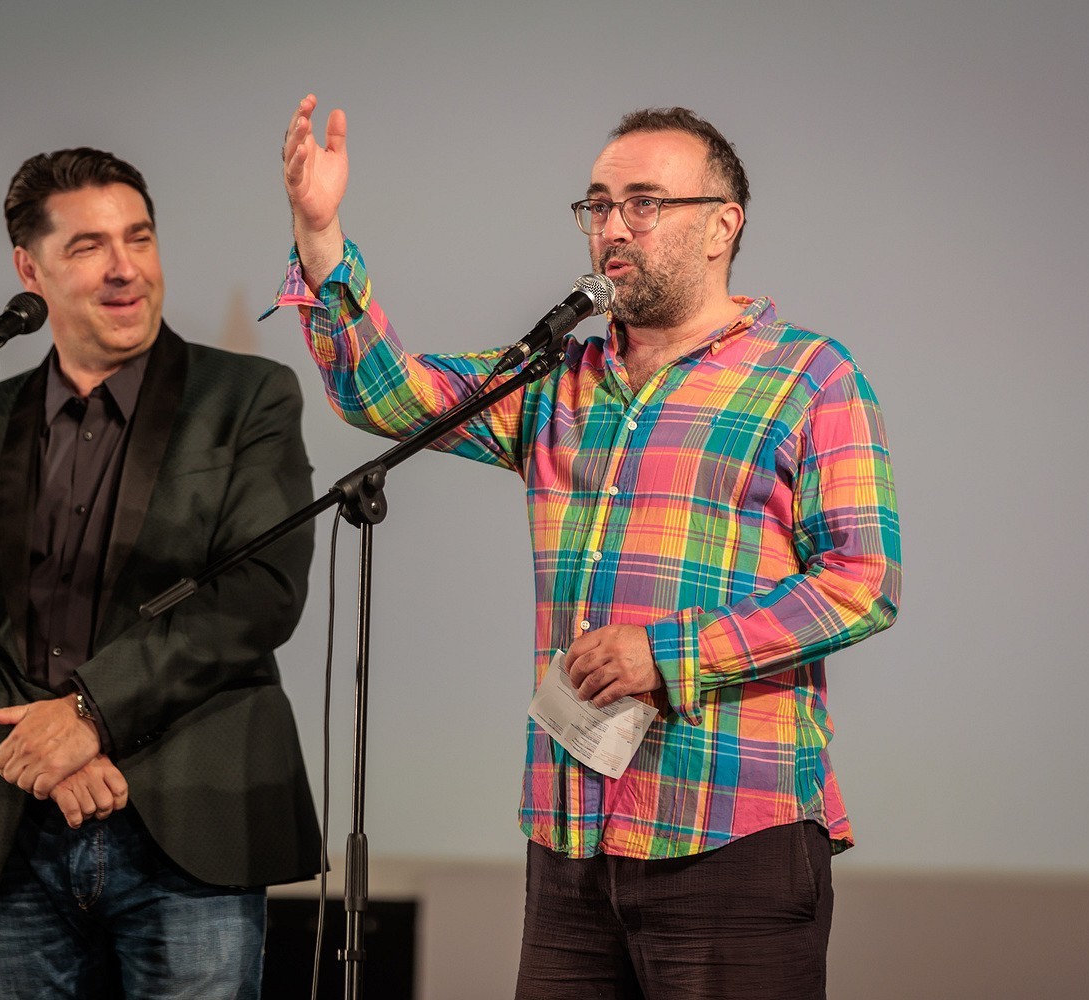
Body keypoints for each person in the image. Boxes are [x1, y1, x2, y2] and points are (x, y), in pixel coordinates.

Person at [271, 95, 901, 999]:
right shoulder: (556, 379)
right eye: (598, 205)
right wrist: (321, 236)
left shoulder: (809, 377)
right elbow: (388, 394)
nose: (612, 226)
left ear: (722, 225)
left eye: (644, 203)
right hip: (572, 836)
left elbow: (860, 583)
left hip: (731, 831)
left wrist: (666, 653)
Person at [0, 147, 321, 1000]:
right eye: (89, 246)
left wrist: (88, 714)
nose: (126, 268)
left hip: (189, 831)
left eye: (140, 238)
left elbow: (259, 592)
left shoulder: (247, 397)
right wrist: (32, 750)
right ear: (30, 269)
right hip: (15, 838)